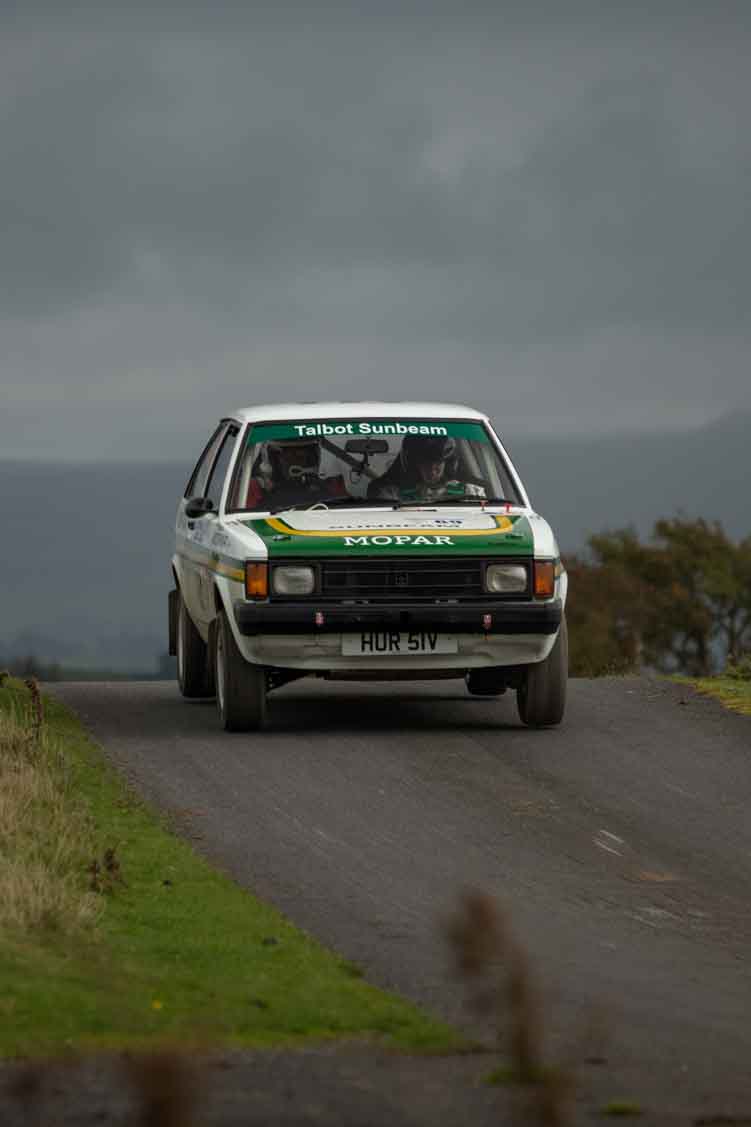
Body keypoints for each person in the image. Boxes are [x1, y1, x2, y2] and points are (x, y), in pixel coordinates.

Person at [367, 434, 486, 502]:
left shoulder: (469, 492)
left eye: (438, 464)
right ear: (415, 466)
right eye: (426, 465)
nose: (432, 471)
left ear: (448, 464)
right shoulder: (395, 494)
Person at [244, 437, 349, 509]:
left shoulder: (334, 489)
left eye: (302, 454)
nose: (295, 460)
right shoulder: (251, 491)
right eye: (288, 454)